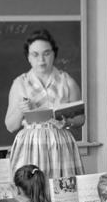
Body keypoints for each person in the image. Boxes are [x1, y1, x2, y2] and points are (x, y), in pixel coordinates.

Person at [6, 28, 85, 179]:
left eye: (46, 53)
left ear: (54, 54)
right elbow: (10, 126)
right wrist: (21, 110)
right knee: (31, 189)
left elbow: (81, 119)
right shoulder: (20, 83)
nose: (41, 60)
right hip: (29, 148)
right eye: (35, 54)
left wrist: (67, 122)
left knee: (62, 189)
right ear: (28, 57)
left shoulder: (67, 82)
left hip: (60, 147)